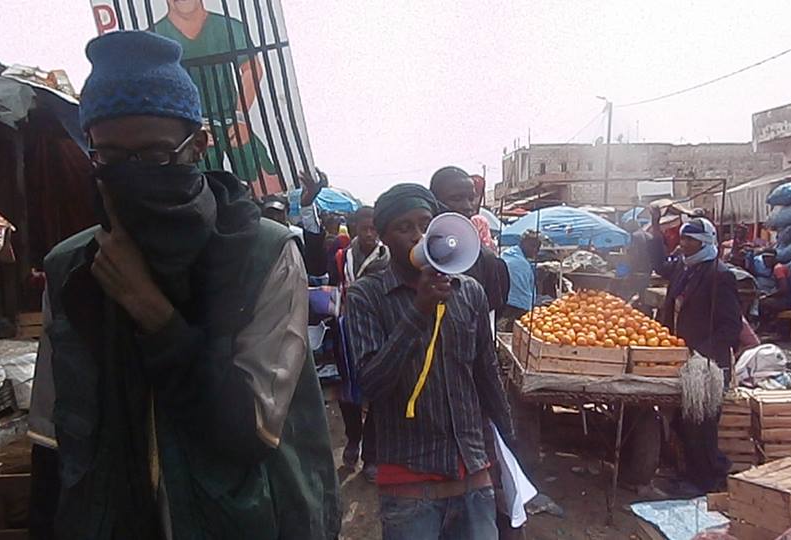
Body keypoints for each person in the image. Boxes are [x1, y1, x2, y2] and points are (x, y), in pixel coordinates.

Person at [26, 31, 338, 539]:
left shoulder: (263, 253)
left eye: (153, 157)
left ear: (198, 145)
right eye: (109, 158)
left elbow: (248, 432)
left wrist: (152, 311)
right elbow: (52, 440)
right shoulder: (71, 269)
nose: (131, 175)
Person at [347, 184, 513, 540]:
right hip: (409, 483)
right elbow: (371, 384)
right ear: (384, 237)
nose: (419, 236)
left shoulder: (468, 291)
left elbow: (486, 374)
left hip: (472, 472)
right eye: (404, 228)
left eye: (425, 224)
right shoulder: (367, 295)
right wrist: (419, 311)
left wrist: (509, 451)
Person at [649, 207, 741, 494]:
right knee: (682, 420)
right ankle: (692, 472)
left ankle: (707, 481)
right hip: (681, 358)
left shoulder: (720, 275)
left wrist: (700, 353)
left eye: (691, 241)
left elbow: (730, 327)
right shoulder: (684, 267)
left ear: (706, 242)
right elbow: (659, 264)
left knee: (702, 424)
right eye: (683, 240)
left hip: (706, 364)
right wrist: (654, 227)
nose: (684, 245)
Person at [154, 0, 281, 194]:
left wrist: (240, 117)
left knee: (269, 186)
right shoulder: (155, 37)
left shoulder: (229, 27)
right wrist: (185, 127)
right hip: (189, 131)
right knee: (195, 191)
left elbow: (252, 69)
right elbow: (154, 90)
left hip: (231, 120)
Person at [329, 206, 390, 482]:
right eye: (364, 228)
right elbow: (331, 290)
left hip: (378, 330)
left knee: (377, 392)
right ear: (354, 229)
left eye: (374, 229)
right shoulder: (341, 257)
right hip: (345, 332)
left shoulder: (388, 259)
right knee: (348, 391)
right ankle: (353, 440)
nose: (369, 234)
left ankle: (372, 456)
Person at [430, 167, 510, 325]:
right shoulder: (412, 250)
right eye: (456, 198)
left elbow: (488, 319)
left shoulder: (485, 259)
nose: (468, 206)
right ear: (433, 200)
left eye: (471, 198)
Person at [498, 230, 541, 331]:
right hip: (514, 309)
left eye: (538, 248)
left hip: (507, 306)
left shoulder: (508, 255)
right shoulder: (520, 263)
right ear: (522, 243)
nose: (535, 250)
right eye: (532, 246)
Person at [754, 249, 791, 321]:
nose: (765, 260)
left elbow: (784, 289)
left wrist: (768, 295)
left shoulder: (778, 269)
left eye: (768, 258)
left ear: (774, 258)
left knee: (761, 303)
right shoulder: (778, 268)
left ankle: (765, 326)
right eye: (764, 258)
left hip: (790, 301)